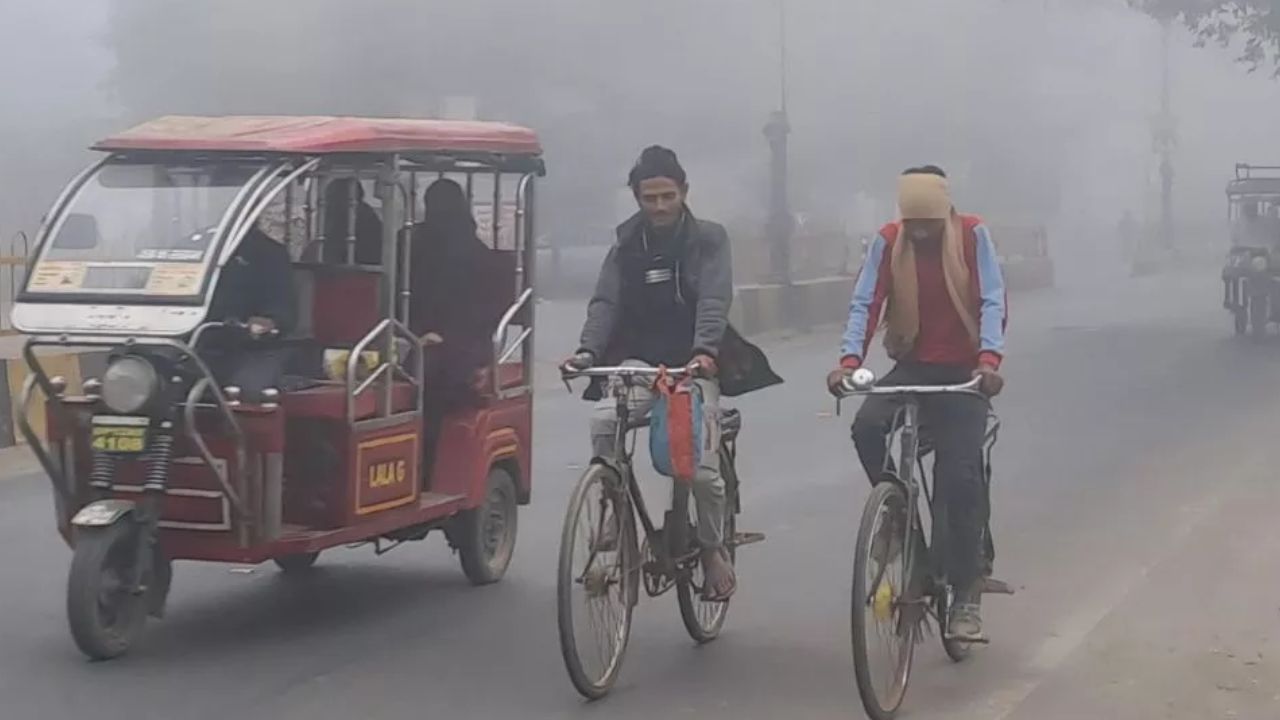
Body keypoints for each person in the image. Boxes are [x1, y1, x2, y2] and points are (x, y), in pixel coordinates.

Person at [566, 145, 781, 602]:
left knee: (699, 471)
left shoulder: (708, 239)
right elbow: (606, 304)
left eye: (668, 196)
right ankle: (610, 503)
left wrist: (705, 351)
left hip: (691, 363)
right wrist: (587, 352)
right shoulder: (625, 246)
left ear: (683, 192)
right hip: (640, 363)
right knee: (604, 420)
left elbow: (713, 299)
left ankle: (711, 547)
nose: (659, 207)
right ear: (637, 199)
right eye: (650, 198)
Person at [826, 165, 1007, 641]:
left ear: (945, 213)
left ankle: (967, 592)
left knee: (959, 476)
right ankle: (901, 523)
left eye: (929, 223)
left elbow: (992, 298)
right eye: (914, 224)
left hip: (966, 373)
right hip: (913, 362)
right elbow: (866, 303)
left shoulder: (972, 235)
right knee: (866, 426)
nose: (922, 233)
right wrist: (848, 362)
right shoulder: (890, 241)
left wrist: (989, 361)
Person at [205, 222, 299, 402]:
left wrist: (268, 321)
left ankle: (241, 430)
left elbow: (283, 307)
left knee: (249, 390)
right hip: (197, 341)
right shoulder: (195, 246)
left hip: (253, 347)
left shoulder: (269, 252)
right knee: (152, 374)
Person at [320, 179, 383, 265]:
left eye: (331, 199)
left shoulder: (363, 218)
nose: (328, 205)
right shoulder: (365, 214)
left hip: (360, 272)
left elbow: (332, 252)